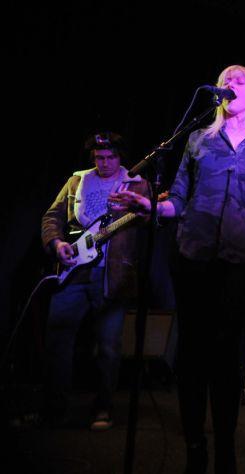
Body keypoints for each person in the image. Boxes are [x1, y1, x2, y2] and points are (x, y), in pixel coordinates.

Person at [111, 65, 245, 474]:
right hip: (192, 256)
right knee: (191, 354)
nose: (231, 84)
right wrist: (150, 206)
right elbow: (179, 201)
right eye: (226, 79)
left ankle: (225, 449)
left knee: (226, 354)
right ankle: (193, 448)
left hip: (242, 261)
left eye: (241, 80)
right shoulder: (197, 140)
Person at [41, 131, 149, 431]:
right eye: (99, 158)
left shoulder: (136, 184)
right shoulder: (77, 181)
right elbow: (52, 217)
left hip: (113, 275)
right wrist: (56, 244)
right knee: (58, 339)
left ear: (120, 157)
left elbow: (149, 219)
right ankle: (54, 409)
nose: (104, 162)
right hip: (74, 270)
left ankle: (104, 408)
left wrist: (145, 207)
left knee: (108, 347)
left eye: (110, 157)